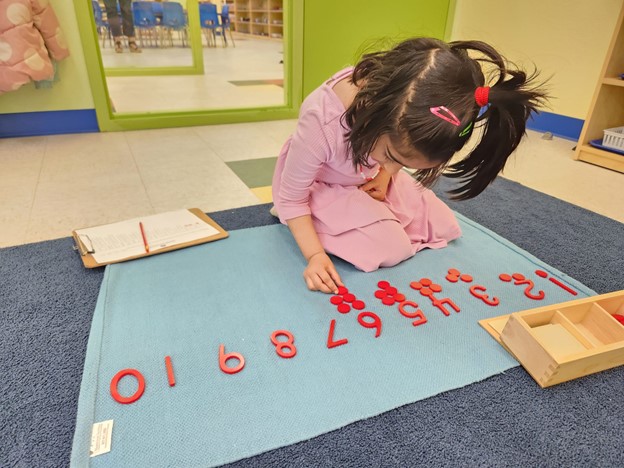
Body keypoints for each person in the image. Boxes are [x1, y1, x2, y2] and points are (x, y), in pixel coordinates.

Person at [271, 37, 548, 294]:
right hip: (321, 186)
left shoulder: (403, 110)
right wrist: (315, 256)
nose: (396, 164)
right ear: (376, 115)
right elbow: (293, 197)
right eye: (394, 156)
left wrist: (386, 172)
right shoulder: (322, 122)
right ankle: (313, 224)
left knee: (442, 223)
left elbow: (393, 156)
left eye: (405, 162)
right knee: (389, 248)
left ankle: (372, 210)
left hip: (365, 177)